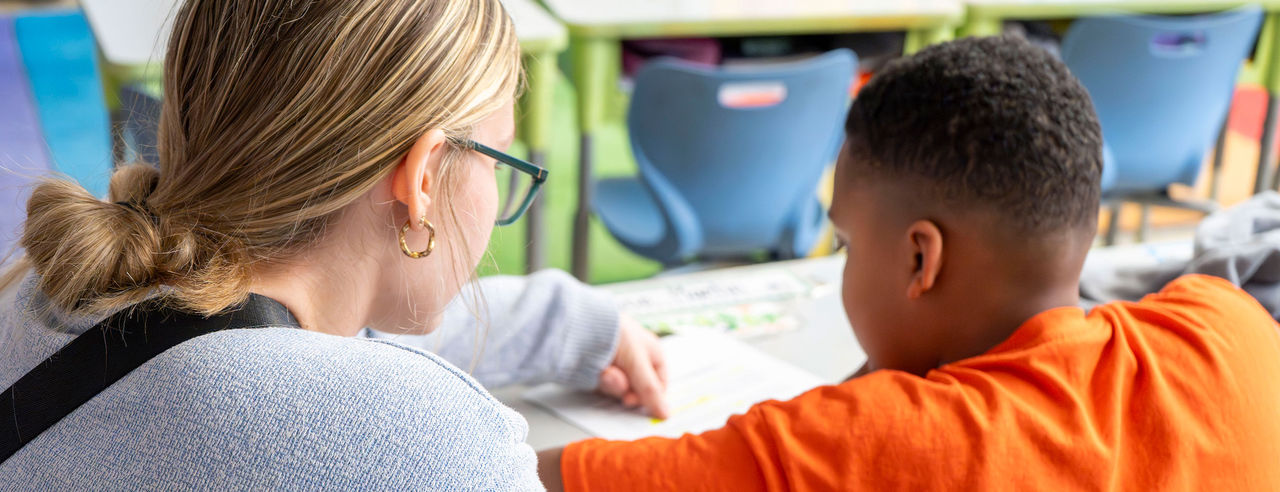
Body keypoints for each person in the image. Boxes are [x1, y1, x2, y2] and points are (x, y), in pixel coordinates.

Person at [538, 35, 1280, 491]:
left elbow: (530, 481)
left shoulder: (860, 447)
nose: (843, 267)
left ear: (921, 258)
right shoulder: (1231, 329)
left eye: (848, 244)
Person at [0, 0, 666, 489]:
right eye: (498, 161)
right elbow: (339, 395)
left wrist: (573, 323)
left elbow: (307, 354)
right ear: (424, 179)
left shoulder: (45, 290)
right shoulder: (438, 446)